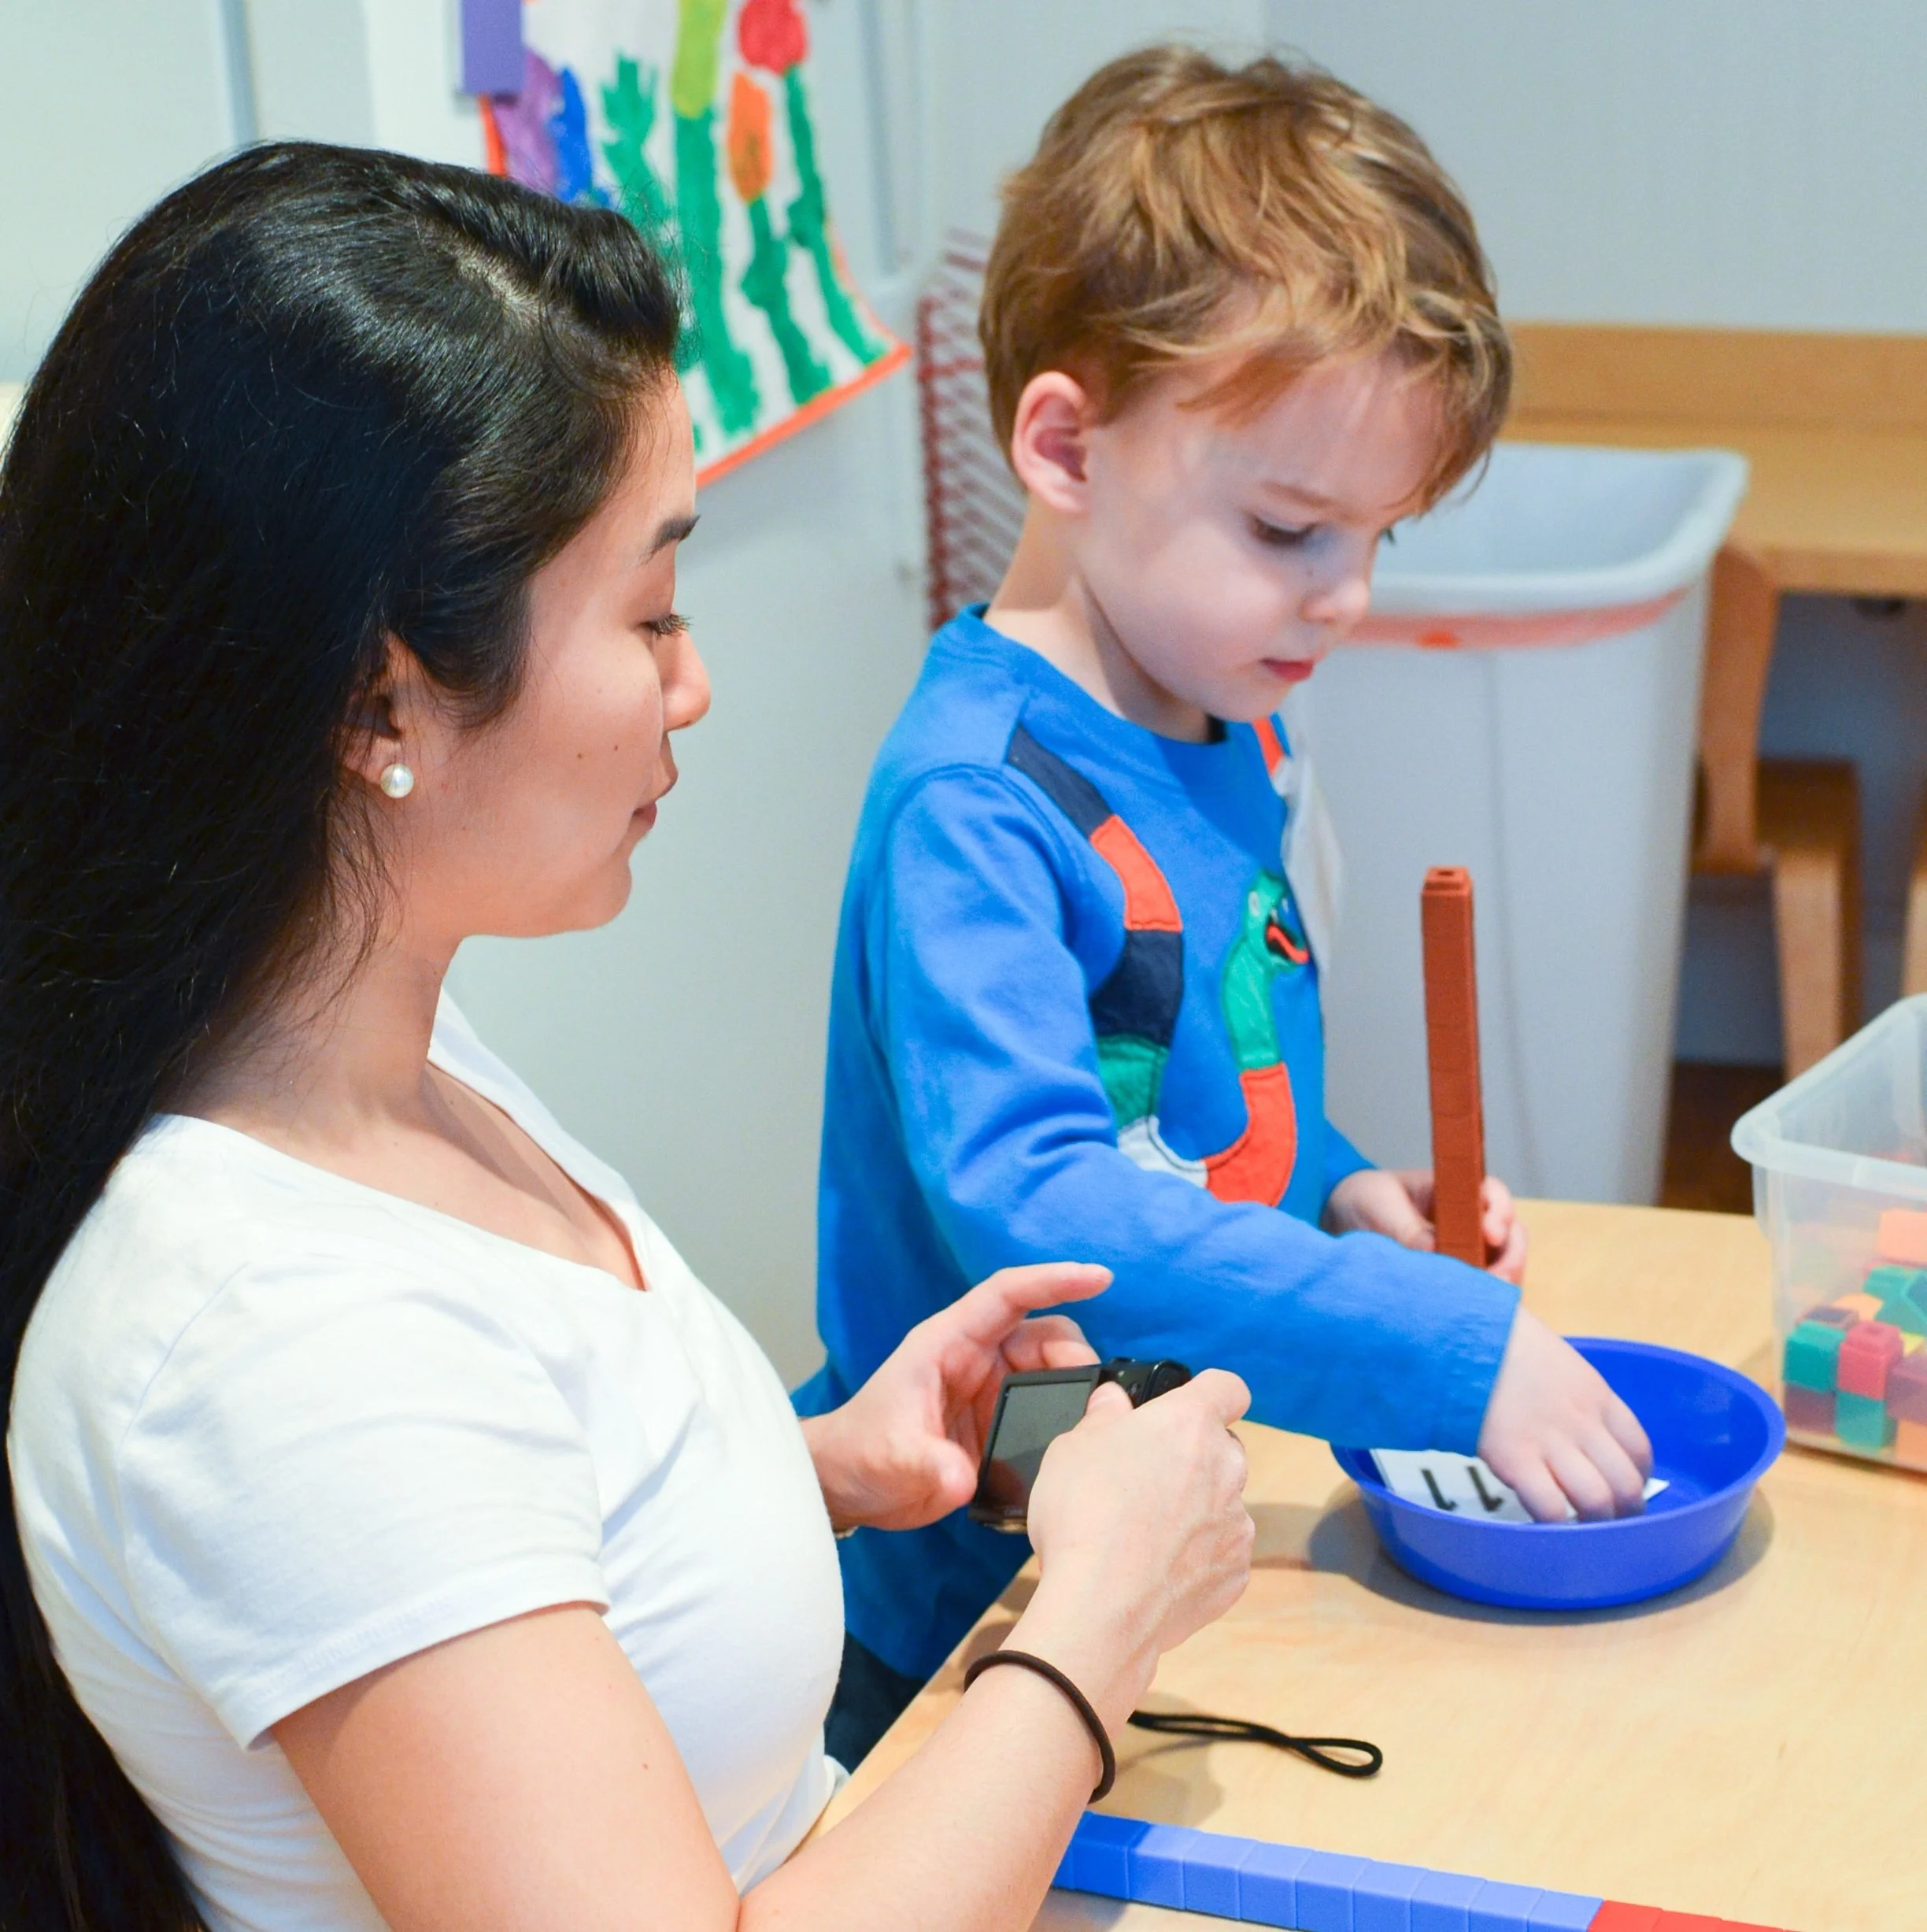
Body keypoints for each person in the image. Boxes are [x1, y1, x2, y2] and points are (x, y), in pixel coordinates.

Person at [0, 144, 1256, 1932]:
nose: (697, 682)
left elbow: (494, 1561)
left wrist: (806, 1470)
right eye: (651, 612)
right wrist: (1092, 1625)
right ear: (381, 702)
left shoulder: (389, 1061)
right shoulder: (263, 1342)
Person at [803, 46, 1655, 1764]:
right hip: (976, 1607)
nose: (1340, 598)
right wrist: (1445, 1344)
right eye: (1287, 528)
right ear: (1066, 445)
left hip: (1168, 1522)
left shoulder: (1215, 717)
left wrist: (1345, 1198)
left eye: (1376, 542)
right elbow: (1047, 1201)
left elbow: (1196, 1101)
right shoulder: (978, 806)